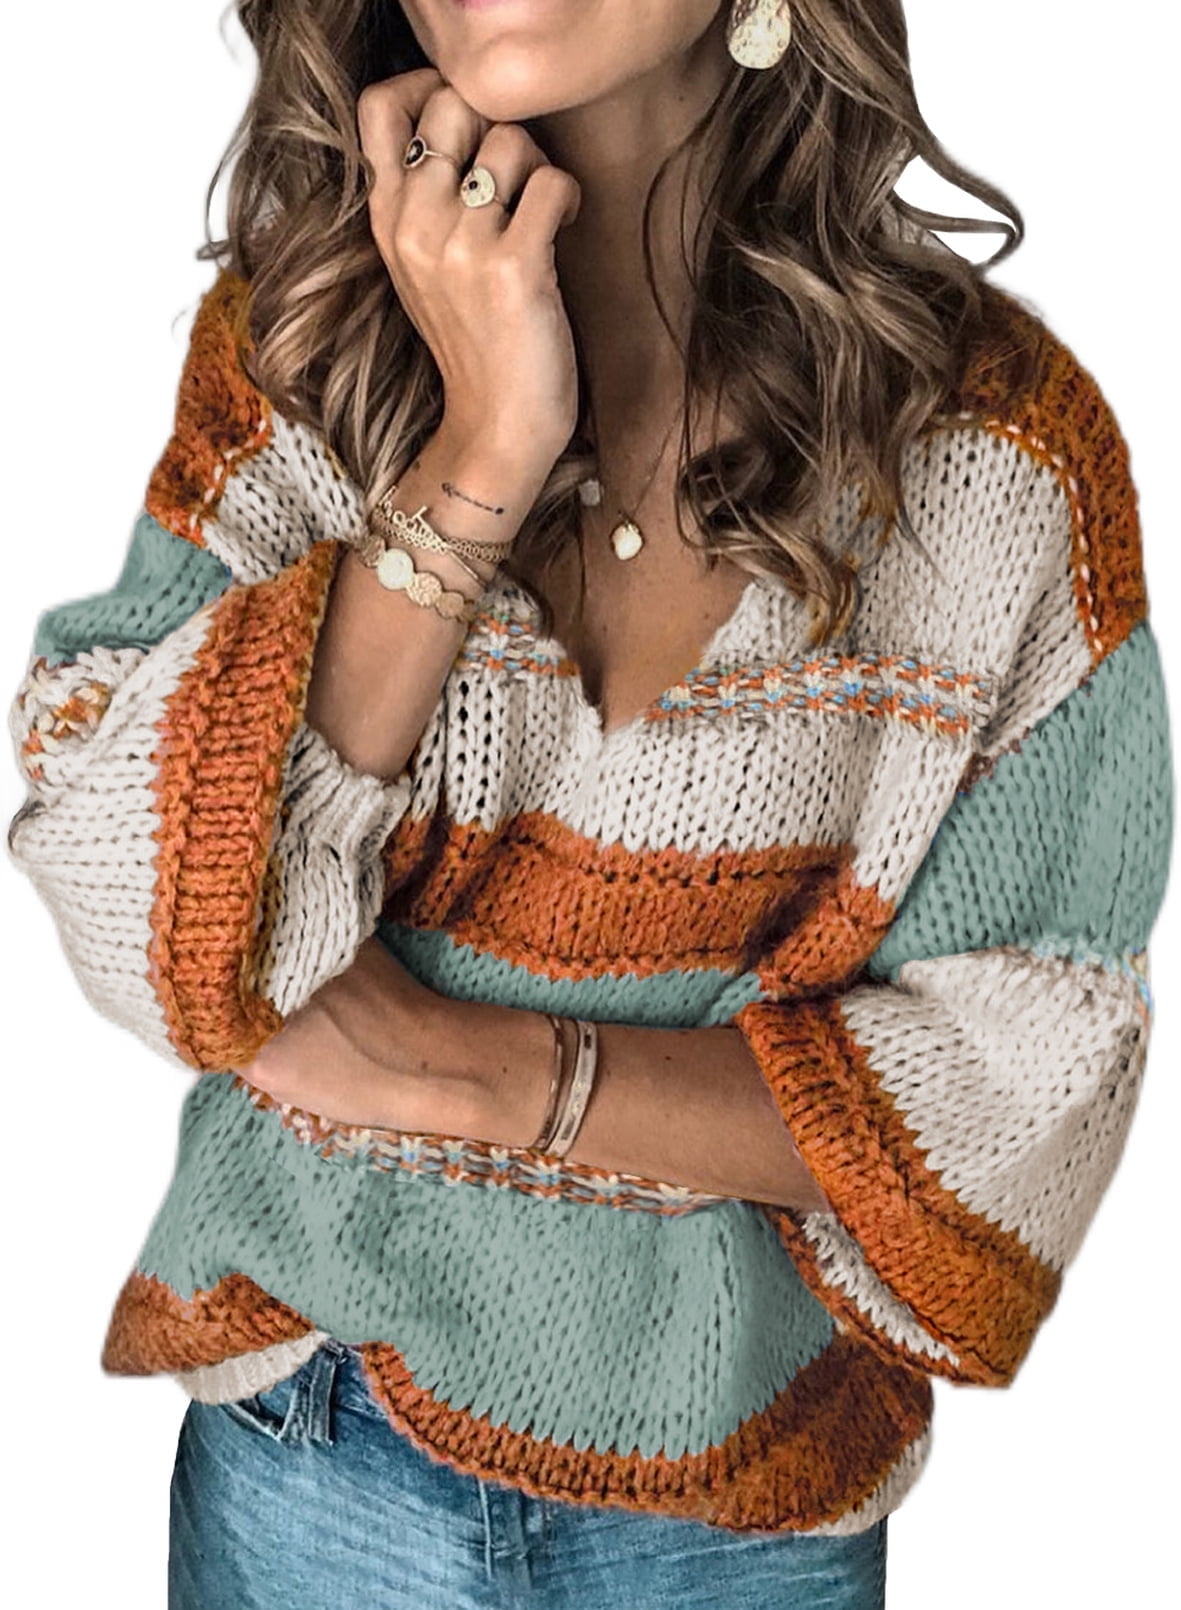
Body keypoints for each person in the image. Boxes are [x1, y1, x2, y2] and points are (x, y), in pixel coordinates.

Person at [7, 1, 1173, 1606]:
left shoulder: (997, 455)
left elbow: (1021, 1087)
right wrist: (484, 452)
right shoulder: (301, 355)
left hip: (744, 1516)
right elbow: (146, 923)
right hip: (311, 1459)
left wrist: (479, 1072)